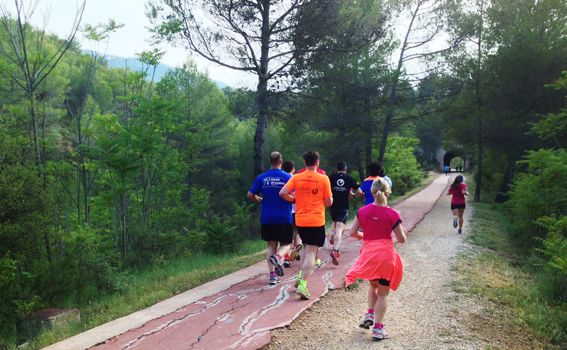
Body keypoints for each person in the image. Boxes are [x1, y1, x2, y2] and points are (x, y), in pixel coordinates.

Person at [345, 178, 407, 340]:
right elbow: (401, 240)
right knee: (383, 293)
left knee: (373, 286)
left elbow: (352, 233)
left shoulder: (362, 211)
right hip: (385, 256)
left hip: (369, 254)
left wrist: (367, 237)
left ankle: (370, 314)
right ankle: (378, 329)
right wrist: (404, 232)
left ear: (371, 193)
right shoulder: (393, 214)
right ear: (388, 193)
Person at [279, 151, 333, 300]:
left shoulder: (297, 177)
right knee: (311, 252)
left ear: (304, 163)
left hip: (301, 220)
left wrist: (293, 200)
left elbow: (282, 192)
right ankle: (303, 284)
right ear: (317, 163)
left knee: (305, 247)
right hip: (316, 220)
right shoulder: (323, 179)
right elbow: (329, 202)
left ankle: (301, 275)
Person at [247, 152, 293, 286]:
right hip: (284, 217)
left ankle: (272, 277)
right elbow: (294, 195)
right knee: (286, 245)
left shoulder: (262, 178)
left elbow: (250, 195)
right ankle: (278, 257)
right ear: (281, 161)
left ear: (269, 162)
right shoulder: (288, 177)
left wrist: (260, 200)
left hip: (268, 217)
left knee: (271, 246)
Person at [327, 161, 362, 265]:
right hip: (343, 207)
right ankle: (335, 250)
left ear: (336, 170)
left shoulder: (330, 178)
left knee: (335, 224)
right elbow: (359, 191)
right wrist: (354, 196)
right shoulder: (349, 178)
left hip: (332, 206)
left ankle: (333, 236)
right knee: (339, 228)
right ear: (345, 170)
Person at [282, 160, 302, 267]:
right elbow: (294, 194)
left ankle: (287, 257)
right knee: (297, 231)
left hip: (284, 210)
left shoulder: (281, 178)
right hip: (295, 209)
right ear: (293, 168)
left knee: (287, 236)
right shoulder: (293, 179)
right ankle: (295, 247)